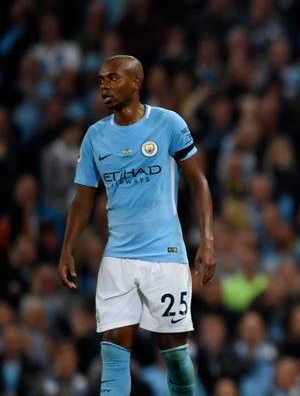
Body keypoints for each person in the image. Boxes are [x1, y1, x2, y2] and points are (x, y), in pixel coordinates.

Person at [57, 55, 215, 396]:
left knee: (173, 352)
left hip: (166, 254)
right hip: (118, 257)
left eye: (113, 78)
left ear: (135, 82)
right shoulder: (95, 137)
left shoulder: (168, 123)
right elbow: (82, 200)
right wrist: (67, 248)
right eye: (101, 79)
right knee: (113, 349)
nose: (104, 86)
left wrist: (208, 240)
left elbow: (198, 182)